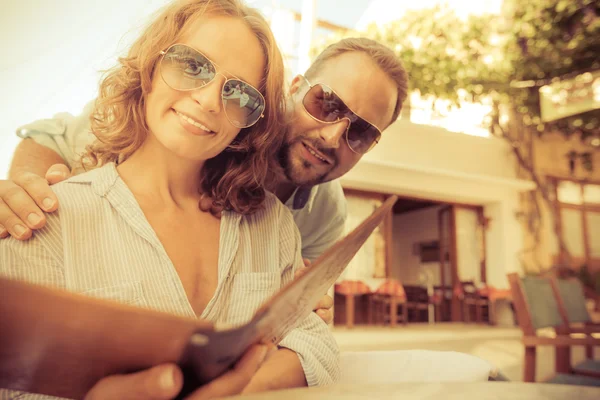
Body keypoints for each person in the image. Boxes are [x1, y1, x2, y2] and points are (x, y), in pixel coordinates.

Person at [1, 29, 409, 400]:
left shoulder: (322, 212)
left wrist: (309, 310)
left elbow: (308, 325)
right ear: (293, 90)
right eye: (327, 103)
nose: (332, 135)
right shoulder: (188, 120)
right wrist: (29, 194)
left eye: (361, 132)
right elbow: (49, 136)